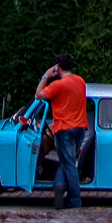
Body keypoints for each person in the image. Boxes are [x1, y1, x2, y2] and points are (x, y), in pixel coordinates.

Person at [35, 53, 87, 209]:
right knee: (67, 162)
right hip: (80, 128)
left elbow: (38, 95)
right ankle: (58, 185)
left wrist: (46, 75)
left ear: (57, 67)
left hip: (64, 129)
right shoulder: (81, 81)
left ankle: (74, 200)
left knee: (69, 164)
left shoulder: (58, 85)